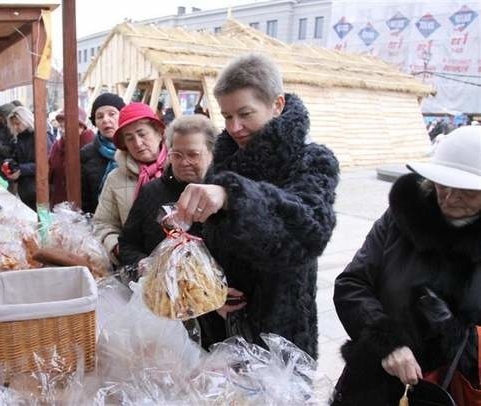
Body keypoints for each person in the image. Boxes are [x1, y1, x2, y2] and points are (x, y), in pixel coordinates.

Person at [174, 53, 339, 357]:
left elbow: (307, 232)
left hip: (279, 329)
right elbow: (202, 240)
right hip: (218, 323)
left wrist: (233, 196)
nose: (235, 127)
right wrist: (207, 292)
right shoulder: (223, 162)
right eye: (226, 116)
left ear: (276, 105)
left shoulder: (313, 160)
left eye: (245, 113)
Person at [331, 126, 481, 406]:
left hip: (451, 391)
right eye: (442, 184)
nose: (449, 197)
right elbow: (352, 283)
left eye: (466, 192)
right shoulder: (402, 218)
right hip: (371, 384)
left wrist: (456, 332)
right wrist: (387, 341)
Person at [118, 114, 217, 268]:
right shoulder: (150, 191)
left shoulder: (222, 196)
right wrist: (143, 265)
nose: (184, 162)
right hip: (156, 287)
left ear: (211, 153)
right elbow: (128, 243)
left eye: (193, 155)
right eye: (177, 155)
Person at [93, 102, 168, 264]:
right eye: (129, 138)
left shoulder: (179, 171)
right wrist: (118, 249)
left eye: (142, 134)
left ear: (159, 133)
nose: (138, 143)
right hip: (136, 269)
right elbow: (103, 223)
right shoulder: (116, 178)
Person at [80, 93, 125, 213]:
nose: (106, 120)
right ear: (95, 122)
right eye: (100, 116)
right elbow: (84, 200)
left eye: (112, 114)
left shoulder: (134, 149)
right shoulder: (86, 154)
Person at [48, 106, 95, 207]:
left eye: (67, 127)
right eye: (61, 126)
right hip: (59, 207)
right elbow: (49, 172)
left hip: (84, 208)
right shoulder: (57, 146)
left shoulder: (91, 146)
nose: (63, 131)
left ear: (81, 127)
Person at [6, 106, 37, 211]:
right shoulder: (20, 138)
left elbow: (45, 164)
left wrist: (21, 170)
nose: (15, 127)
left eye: (18, 123)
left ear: (26, 120)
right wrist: (10, 165)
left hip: (37, 189)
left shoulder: (40, 137)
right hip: (25, 188)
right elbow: (17, 158)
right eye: (13, 124)